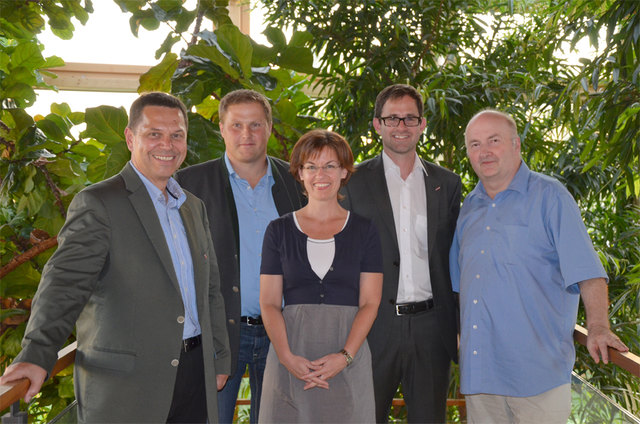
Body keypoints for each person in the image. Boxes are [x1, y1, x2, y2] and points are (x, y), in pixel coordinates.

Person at [0, 92, 231, 423]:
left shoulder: (193, 207)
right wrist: (37, 353)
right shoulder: (99, 203)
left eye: (176, 135)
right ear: (130, 137)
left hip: (194, 374)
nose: (167, 144)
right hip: (127, 386)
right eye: (154, 133)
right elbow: (65, 283)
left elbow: (210, 290)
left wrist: (219, 357)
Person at [449, 109, 629, 423]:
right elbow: (458, 285)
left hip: (537, 377)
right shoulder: (469, 207)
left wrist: (599, 327)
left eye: (494, 140)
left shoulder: (551, 197)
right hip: (481, 376)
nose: (485, 151)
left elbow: (588, 273)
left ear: (516, 144)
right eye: (475, 144)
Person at [175, 89, 304, 423]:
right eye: (236, 125)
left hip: (283, 334)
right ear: (222, 128)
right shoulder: (189, 184)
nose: (246, 134)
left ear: (269, 127)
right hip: (220, 335)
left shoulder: (295, 181)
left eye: (255, 125)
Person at [342, 84, 461, 423]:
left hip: (432, 328)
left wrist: (459, 323)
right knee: (365, 417)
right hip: (373, 327)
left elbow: (453, 259)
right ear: (377, 124)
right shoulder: (352, 182)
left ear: (423, 124)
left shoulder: (447, 184)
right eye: (392, 118)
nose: (401, 126)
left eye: (410, 118)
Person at [259, 129, 383, 423]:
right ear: (299, 173)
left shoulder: (366, 231)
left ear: (344, 172)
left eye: (330, 165)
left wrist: (344, 356)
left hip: (347, 355)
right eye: (311, 166)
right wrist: (288, 358)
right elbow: (269, 303)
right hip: (290, 356)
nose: (320, 174)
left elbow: (370, 302)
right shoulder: (278, 231)